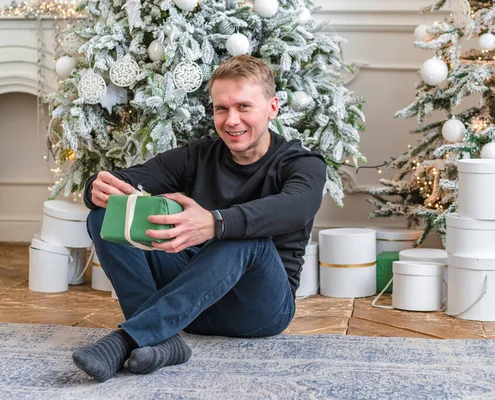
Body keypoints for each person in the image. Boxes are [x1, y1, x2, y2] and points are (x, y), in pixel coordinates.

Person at [73, 55, 326, 382]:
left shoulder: (303, 164)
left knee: (244, 240)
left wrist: (215, 223)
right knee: (103, 216)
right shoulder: (199, 154)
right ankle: (161, 340)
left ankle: (128, 338)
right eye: (221, 109)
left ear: (272, 107)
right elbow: (132, 178)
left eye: (244, 107)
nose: (231, 120)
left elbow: (296, 206)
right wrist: (96, 186)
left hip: (257, 310)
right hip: (189, 305)